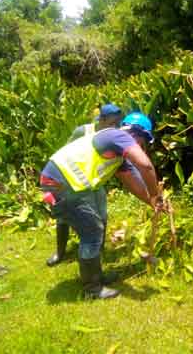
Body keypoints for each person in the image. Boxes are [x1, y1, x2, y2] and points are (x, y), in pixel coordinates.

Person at [39, 112, 167, 299]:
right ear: (135, 133)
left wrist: (152, 202)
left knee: (95, 228)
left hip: (70, 185)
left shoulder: (118, 155)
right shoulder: (117, 136)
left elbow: (133, 182)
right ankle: (92, 289)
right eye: (142, 141)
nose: (141, 146)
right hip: (60, 184)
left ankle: (96, 277)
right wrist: (156, 194)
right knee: (92, 232)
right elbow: (145, 166)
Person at [47, 103, 125, 267]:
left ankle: (97, 252)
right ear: (102, 119)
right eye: (112, 123)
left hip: (94, 183)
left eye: (118, 123)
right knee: (63, 218)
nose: (116, 127)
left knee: (101, 215)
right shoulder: (83, 131)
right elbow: (67, 151)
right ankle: (60, 252)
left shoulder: (114, 134)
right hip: (71, 181)